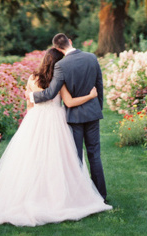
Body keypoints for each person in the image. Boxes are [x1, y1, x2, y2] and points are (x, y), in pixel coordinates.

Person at [0, 47, 111, 226]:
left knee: (31, 159)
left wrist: (29, 125)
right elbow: (68, 102)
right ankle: (59, 195)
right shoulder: (59, 80)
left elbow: (29, 106)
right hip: (56, 121)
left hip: (35, 120)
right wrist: (91, 95)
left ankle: (31, 194)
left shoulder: (32, 78)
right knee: (60, 160)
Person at [30, 33, 107, 201]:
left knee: (75, 157)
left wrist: (32, 97)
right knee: (95, 155)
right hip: (93, 113)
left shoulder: (61, 65)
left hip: (75, 117)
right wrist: (97, 108)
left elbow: (51, 93)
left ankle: (78, 196)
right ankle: (101, 195)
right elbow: (99, 85)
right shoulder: (92, 57)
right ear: (70, 42)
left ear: (57, 48)